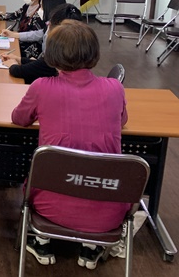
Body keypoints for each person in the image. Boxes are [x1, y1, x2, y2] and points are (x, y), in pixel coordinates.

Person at [11, 20, 129, 270]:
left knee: (42, 172)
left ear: (51, 55)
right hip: (108, 210)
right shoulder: (114, 88)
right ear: (94, 53)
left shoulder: (42, 87)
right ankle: (90, 246)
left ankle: (42, 239)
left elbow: (19, 119)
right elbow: (123, 120)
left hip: (48, 206)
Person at [1, 0, 81, 85]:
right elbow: (42, 64)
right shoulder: (75, 45)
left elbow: (20, 71)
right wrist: (19, 59)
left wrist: (13, 65)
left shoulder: (56, 54)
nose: (48, 25)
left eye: (41, 7)